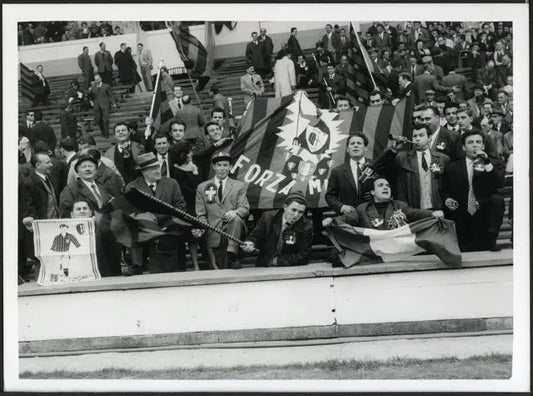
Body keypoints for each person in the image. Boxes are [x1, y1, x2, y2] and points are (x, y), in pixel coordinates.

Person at [125, 152, 187, 274]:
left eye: (157, 167)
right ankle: (136, 266)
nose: (157, 171)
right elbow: (129, 212)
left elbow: (181, 207)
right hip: (143, 228)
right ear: (143, 172)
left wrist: (167, 223)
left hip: (167, 226)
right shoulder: (132, 187)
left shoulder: (171, 183)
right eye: (152, 169)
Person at [442, 130, 505, 252]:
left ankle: (491, 238)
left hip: (483, 213)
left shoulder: (491, 164)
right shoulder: (453, 167)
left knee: (497, 200)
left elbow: (500, 183)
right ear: (464, 147)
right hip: (462, 213)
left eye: (478, 142)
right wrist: (447, 199)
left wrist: (486, 163)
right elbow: (444, 190)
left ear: (483, 146)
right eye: (470, 142)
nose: (475, 145)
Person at [323, 176, 444, 229]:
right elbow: (347, 219)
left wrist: (432, 214)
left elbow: (415, 213)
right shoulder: (362, 209)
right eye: (380, 186)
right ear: (373, 192)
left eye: (387, 186)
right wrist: (332, 221)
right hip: (373, 253)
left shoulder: (400, 206)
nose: (385, 188)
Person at [375, 125, 450, 210]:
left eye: (421, 135)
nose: (417, 139)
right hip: (412, 211)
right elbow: (378, 167)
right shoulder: (402, 158)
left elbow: (447, 186)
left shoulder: (442, 159)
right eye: (414, 136)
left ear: (429, 138)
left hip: (437, 210)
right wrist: (394, 150)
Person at [195, 152, 250, 269]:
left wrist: (235, 212)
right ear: (214, 167)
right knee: (219, 269)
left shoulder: (239, 186)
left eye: (225, 165)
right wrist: (204, 226)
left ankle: (232, 252)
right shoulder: (202, 187)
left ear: (230, 167)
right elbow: (200, 214)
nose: (222, 168)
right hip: (213, 232)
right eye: (219, 165)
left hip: (233, 232)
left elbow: (245, 208)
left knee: (236, 219)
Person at [242, 191, 313, 267]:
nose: (296, 215)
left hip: (291, 267)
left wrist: (277, 261)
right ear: (285, 207)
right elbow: (254, 237)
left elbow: (304, 256)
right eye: (293, 210)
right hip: (265, 266)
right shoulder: (268, 218)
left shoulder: (306, 225)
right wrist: (250, 243)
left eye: (300, 212)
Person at [169, 141, 203, 270]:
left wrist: (195, 172)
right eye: (189, 152)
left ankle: (205, 262)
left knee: (200, 236)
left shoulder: (194, 166)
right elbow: (186, 189)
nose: (191, 154)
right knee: (189, 237)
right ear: (183, 154)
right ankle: (193, 265)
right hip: (185, 206)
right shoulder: (176, 170)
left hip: (198, 204)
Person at [70, 199, 122, 277]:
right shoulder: (66, 232)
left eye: (85, 208)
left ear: (91, 212)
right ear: (72, 215)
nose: (82, 211)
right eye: (78, 209)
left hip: (101, 274)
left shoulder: (101, 229)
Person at [326, 133, 375, 216]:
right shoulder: (337, 171)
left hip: (373, 215)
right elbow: (330, 196)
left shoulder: (375, 166)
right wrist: (342, 207)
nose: (355, 146)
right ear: (347, 149)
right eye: (352, 143)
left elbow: (387, 187)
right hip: (349, 217)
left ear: (365, 148)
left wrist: (376, 193)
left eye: (359, 143)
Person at [88, 73, 116, 138]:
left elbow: (111, 95)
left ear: (101, 79)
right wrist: (89, 92)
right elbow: (90, 97)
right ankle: (103, 131)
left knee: (105, 119)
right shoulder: (93, 88)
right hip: (97, 106)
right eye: (95, 80)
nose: (97, 81)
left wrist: (113, 102)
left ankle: (106, 133)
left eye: (98, 79)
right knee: (98, 120)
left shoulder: (106, 86)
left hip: (105, 104)